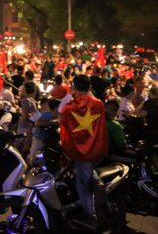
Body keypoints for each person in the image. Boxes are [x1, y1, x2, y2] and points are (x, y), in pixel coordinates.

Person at [60, 75, 107, 229]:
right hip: (96, 148)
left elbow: (66, 126)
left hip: (81, 152)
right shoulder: (98, 104)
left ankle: (91, 217)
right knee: (88, 172)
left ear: (74, 87)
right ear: (90, 87)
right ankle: (97, 182)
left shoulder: (69, 108)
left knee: (82, 186)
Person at [30, 97, 60, 163]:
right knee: (33, 159)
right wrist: (51, 122)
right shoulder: (46, 114)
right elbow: (37, 123)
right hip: (39, 139)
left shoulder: (59, 116)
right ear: (55, 107)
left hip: (49, 142)